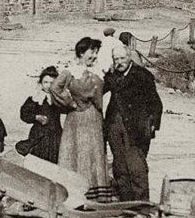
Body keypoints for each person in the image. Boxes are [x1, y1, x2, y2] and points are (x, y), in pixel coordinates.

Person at [52, 37, 114, 204]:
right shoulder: (70, 71)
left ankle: (96, 193)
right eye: (91, 52)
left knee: (94, 154)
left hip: (95, 118)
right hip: (77, 119)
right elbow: (54, 88)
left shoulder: (99, 71)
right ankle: (76, 191)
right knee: (78, 154)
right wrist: (70, 102)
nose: (94, 56)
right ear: (81, 52)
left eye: (96, 53)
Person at [104, 48, 163, 203]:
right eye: (116, 59)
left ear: (129, 58)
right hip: (114, 127)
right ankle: (126, 203)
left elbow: (155, 103)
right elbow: (99, 89)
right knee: (120, 166)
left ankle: (142, 206)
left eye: (122, 58)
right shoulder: (112, 75)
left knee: (136, 167)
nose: (119, 62)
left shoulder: (143, 75)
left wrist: (152, 125)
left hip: (136, 129)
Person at [15, 66, 64, 163]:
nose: (48, 86)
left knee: (54, 160)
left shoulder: (58, 98)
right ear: (40, 84)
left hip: (55, 135)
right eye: (45, 82)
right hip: (38, 135)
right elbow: (24, 114)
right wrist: (36, 117)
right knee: (38, 160)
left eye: (52, 83)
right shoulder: (35, 98)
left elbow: (66, 109)